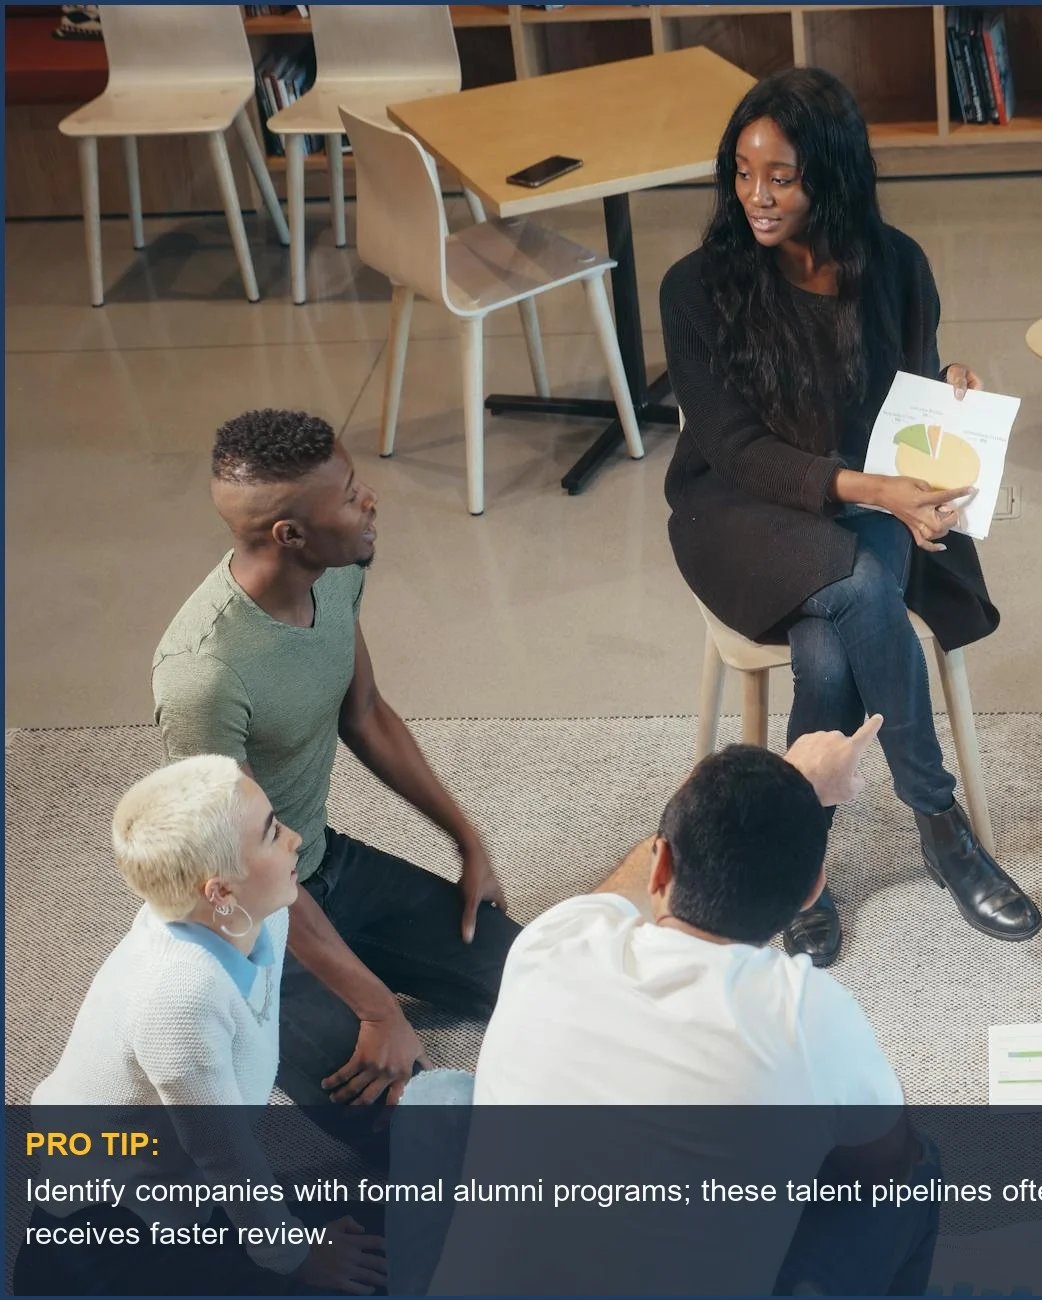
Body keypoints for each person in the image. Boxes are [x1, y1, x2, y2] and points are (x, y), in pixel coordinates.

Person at [660, 66, 1040, 966]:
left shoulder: (894, 263)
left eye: (780, 176)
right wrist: (873, 493)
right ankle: (939, 820)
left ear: (828, 174)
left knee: (833, 641)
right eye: (743, 172)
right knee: (863, 595)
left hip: (869, 490)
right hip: (739, 510)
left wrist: (945, 387)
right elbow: (734, 448)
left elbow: (904, 383)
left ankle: (801, 864)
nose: (755, 194)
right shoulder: (697, 286)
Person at [430, 720, 939, 1296]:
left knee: (440, 1093)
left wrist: (790, 778)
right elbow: (882, 1164)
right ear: (810, 892)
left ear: (662, 863)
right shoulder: (804, 1015)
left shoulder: (553, 943)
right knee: (918, 1169)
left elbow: (627, 889)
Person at [152, 409, 520, 1135]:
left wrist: (467, 840)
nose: (370, 501)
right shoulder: (202, 674)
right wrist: (375, 1006)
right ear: (289, 534)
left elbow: (367, 714)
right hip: (247, 927)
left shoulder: (339, 571)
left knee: (544, 973)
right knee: (416, 1127)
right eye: (350, 495)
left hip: (321, 867)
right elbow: (239, 867)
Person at [22, 756, 386, 1295]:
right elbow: (223, 1154)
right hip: (109, 1219)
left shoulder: (261, 909)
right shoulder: (179, 999)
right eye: (271, 834)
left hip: (184, 1177)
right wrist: (297, 1258)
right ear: (219, 891)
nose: (296, 838)